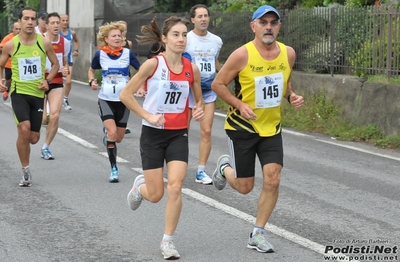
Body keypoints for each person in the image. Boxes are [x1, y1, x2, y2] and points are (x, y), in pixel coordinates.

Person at [211, 5, 304, 253]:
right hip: (242, 127)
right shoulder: (242, 55)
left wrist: (291, 96)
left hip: (271, 129)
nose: (269, 27)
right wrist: (239, 104)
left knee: (273, 180)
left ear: (279, 27)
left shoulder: (289, 53)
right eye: (263, 22)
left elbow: (284, 81)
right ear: (253, 26)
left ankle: (257, 233)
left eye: (274, 22)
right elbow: (218, 84)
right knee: (245, 187)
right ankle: (223, 167)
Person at [120, 16, 204, 260]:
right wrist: (148, 115)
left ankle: (167, 240)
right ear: (165, 39)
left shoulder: (191, 68)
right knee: (156, 195)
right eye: (176, 34)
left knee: (176, 188)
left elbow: (197, 100)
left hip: (179, 134)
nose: (181, 39)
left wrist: (198, 108)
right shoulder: (153, 65)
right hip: (153, 135)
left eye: (184, 35)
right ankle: (140, 186)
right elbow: (126, 95)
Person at [0, 7, 59, 187]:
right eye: (26, 18)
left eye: (33, 19)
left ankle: (26, 146)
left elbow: (56, 64)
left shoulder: (44, 42)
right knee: (24, 129)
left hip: (37, 94)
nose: (30, 22)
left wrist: (47, 81)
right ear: (20, 21)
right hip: (19, 93)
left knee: (33, 138)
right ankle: (25, 170)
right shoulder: (11, 44)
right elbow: (1, 64)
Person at [88, 21, 140, 183]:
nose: (117, 38)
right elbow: (91, 70)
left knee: (118, 138)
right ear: (106, 38)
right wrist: (92, 81)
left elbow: (142, 71)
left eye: (120, 35)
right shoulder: (100, 55)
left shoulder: (127, 54)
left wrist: (141, 86)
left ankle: (108, 138)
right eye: (114, 36)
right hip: (106, 99)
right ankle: (114, 169)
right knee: (111, 133)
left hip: (124, 101)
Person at [185, 4, 223, 185]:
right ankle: (178, 165)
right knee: (181, 132)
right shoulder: (186, 39)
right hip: (187, 91)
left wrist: (225, 75)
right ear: (192, 19)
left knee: (206, 131)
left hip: (207, 91)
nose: (203, 19)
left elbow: (215, 62)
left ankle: (200, 171)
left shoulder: (216, 40)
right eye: (199, 16)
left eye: (206, 15)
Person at [40, 12, 70, 160]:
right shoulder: (39, 40)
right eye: (53, 23)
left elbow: (65, 65)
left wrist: (65, 70)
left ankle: (46, 147)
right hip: (39, 82)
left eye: (58, 22)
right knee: (42, 119)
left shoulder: (65, 42)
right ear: (46, 25)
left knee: (55, 115)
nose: (56, 25)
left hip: (56, 82)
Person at [60, 14, 79, 110]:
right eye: (63, 20)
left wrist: (76, 50)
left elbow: (76, 41)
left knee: (68, 81)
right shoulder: (56, 32)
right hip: (58, 60)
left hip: (69, 59)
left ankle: (65, 99)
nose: (65, 22)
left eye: (66, 20)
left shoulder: (72, 33)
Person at [0, 22, 21, 101]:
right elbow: (1, 47)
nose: (18, 31)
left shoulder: (24, 38)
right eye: (16, 29)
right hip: (9, 64)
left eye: (20, 29)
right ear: (13, 29)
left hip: (20, 64)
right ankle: (7, 90)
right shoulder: (8, 38)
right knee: (8, 79)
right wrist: (9, 51)